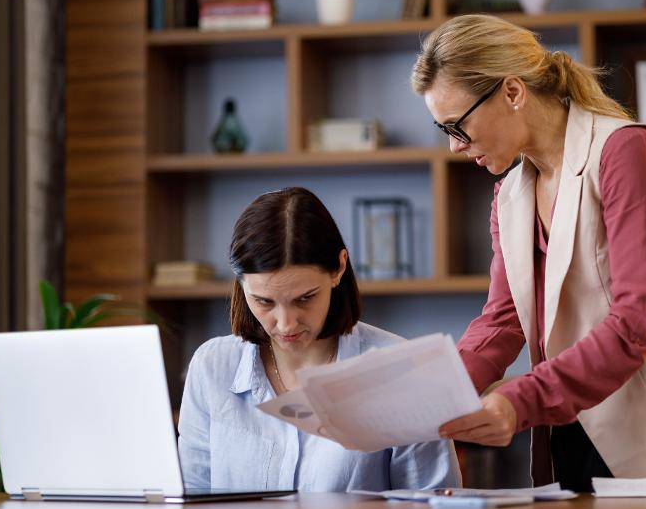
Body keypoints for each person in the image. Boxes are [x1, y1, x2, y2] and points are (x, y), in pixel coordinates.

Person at [411, 14, 646, 493]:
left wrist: (518, 400)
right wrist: (428, 398)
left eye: (458, 125)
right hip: (567, 435)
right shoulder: (510, 194)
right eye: (443, 129)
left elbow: (633, 325)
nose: (454, 146)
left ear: (512, 92)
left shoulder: (626, 151)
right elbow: (502, 321)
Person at [177, 187, 461, 491]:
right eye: (264, 302)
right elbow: (191, 501)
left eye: (305, 298)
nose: (286, 324)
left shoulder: (400, 370)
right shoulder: (213, 367)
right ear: (241, 284)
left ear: (338, 268)